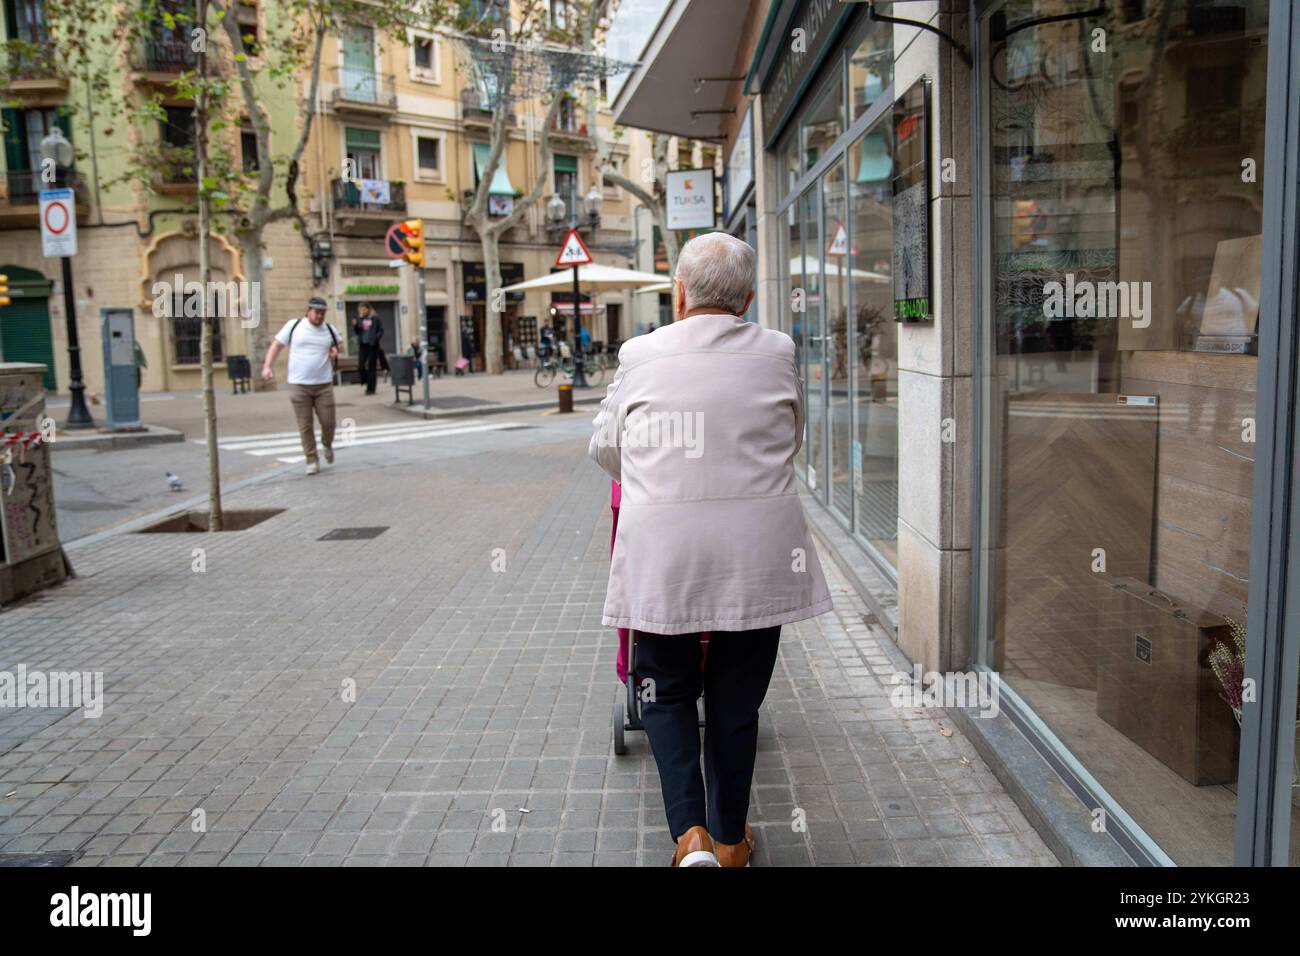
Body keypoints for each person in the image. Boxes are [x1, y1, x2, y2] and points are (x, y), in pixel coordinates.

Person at [589, 232, 832, 867]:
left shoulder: (638, 354)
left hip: (665, 553)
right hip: (759, 553)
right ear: (748, 299)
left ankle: (689, 836)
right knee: (736, 700)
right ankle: (730, 840)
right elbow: (791, 435)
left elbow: (605, 448)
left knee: (664, 691)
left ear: (678, 294)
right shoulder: (778, 351)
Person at [262, 295, 340, 475]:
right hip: (299, 385)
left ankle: (327, 444)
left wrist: (335, 350)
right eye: (317, 312)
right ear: (308, 311)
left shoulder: (329, 329)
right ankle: (311, 459)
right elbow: (276, 346)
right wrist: (267, 367)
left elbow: (339, 344)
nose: (320, 316)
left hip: (324, 385)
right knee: (305, 424)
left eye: (323, 313)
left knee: (329, 423)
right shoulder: (294, 326)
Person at [352, 302, 385, 395]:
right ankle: (365, 380)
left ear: (368, 309)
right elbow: (358, 332)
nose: (362, 311)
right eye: (361, 310)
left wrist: (375, 338)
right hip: (363, 345)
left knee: (371, 367)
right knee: (360, 366)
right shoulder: (359, 318)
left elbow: (381, 330)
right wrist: (355, 325)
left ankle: (371, 389)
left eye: (364, 309)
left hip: (372, 345)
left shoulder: (375, 318)